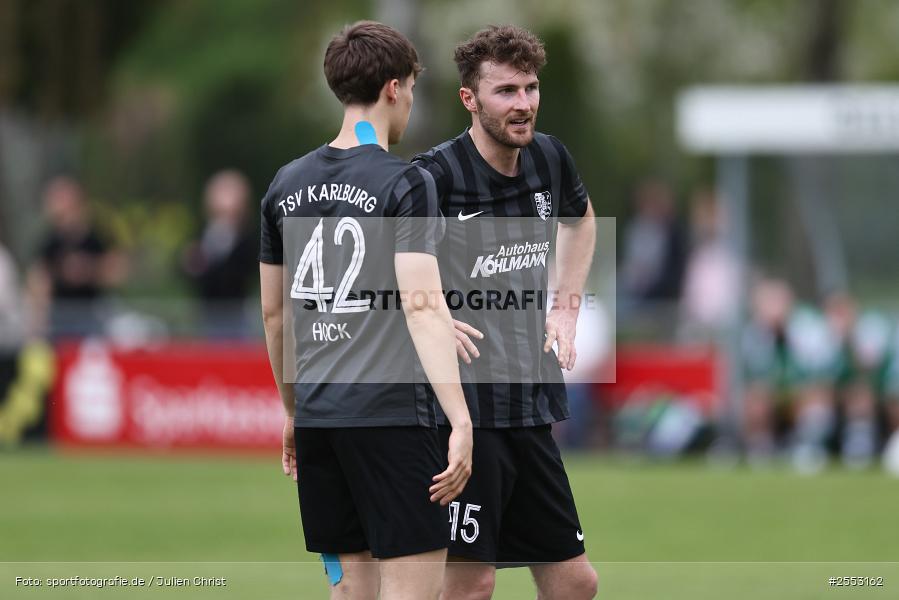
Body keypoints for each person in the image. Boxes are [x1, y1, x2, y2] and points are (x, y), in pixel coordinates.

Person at [258, 21, 472, 600]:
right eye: (412, 93)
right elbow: (424, 304)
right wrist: (460, 417)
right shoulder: (406, 182)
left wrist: (293, 409)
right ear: (394, 89)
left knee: (350, 591)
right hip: (392, 418)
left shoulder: (284, 184)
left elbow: (276, 316)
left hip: (322, 418)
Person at [413, 25, 598, 600]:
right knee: (472, 586)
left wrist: (565, 309)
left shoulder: (549, 158)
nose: (523, 104)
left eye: (531, 89)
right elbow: (385, 273)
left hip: (528, 403)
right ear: (469, 99)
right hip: (460, 414)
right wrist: (430, 311)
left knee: (575, 583)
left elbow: (581, 220)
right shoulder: (434, 176)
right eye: (506, 92)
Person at [26, 176, 126, 339]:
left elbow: (117, 271)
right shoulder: (48, 242)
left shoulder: (98, 235)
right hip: (60, 319)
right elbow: (39, 281)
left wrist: (89, 270)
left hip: (94, 316)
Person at [182, 169, 258, 338]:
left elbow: (241, 274)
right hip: (207, 313)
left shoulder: (247, 240)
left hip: (236, 314)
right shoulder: (202, 236)